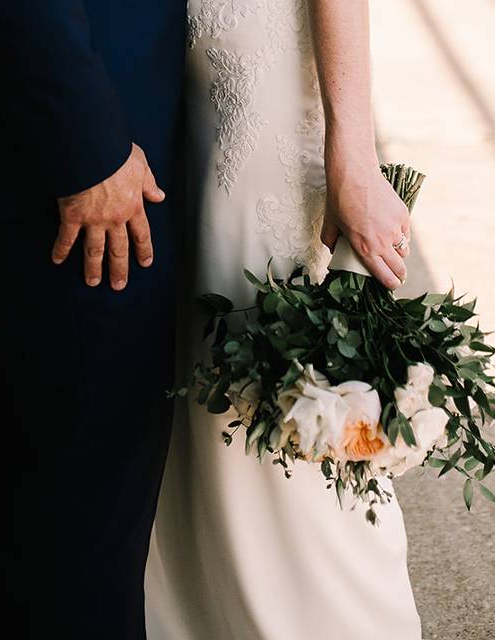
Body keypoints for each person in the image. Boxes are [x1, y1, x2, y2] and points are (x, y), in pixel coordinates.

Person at [143, 1, 423, 638]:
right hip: (192, 83)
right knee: (198, 367)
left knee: (275, 375)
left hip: (262, 98)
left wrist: (353, 158)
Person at [0, 2, 186, 637]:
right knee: (88, 464)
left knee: (67, 448)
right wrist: (86, 147)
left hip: (107, 101)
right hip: (73, 129)